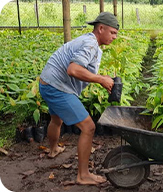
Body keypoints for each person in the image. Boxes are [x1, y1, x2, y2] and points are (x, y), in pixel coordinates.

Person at [39, 12, 119, 185]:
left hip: (47, 82)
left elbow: (81, 69)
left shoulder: (89, 41)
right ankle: (83, 175)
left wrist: (102, 78)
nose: (114, 37)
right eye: (112, 32)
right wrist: (100, 79)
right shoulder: (90, 44)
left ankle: (53, 150)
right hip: (57, 87)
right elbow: (73, 70)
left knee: (56, 119)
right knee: (88, 127)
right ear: (101, 28)